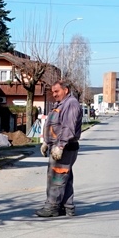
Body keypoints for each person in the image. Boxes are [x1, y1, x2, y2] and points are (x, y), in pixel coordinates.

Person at [36, 80, 83, 218]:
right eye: (53, 92)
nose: (54, 94)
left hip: (65, 148)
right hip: (58, 147)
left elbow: (68, 128)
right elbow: (53, 125)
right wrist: (46, 142)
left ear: (66, 90)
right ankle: (67, 207)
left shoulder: (71, 104)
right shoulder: (60, 104)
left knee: (56, 178)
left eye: (57, 91)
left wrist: (60, 146)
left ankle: (52, 207)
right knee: (64, 177)